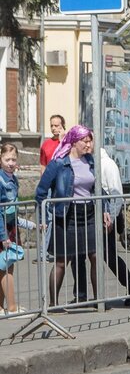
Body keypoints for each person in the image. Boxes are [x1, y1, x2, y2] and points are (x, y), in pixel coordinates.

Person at [35, 126, 110, 307]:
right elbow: (41, 192)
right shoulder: (59, 164)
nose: (89, 145)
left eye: (90, 141)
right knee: (62, 261)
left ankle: (98, 300)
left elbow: (98, 189)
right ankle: (53, 305)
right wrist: (43, 218)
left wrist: (105, 209)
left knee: (95, 256)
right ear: (74, 142)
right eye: (85, 141)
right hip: (67, 215)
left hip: (89, 214)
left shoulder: (90, 161)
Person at [98, 148, 130, 307]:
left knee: (108, 255)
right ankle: (82, 296)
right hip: (87, 217)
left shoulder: (107, 164)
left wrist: (112, 218)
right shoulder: (84, 162)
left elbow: (116, 194)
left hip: (106, 217)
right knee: (78, 257)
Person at [0, 143, 34, 314]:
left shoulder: (13, 178)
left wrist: (29, 224)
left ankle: (1, 307)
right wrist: (3, 236)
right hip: (3, 229)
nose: (11, 163)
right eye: (7, 159)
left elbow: (12, 210)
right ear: (0, 159)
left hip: (9, 226)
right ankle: (12, 308)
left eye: (13, 159)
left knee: (4, 267)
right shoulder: (1, 180)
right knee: (6, 267)